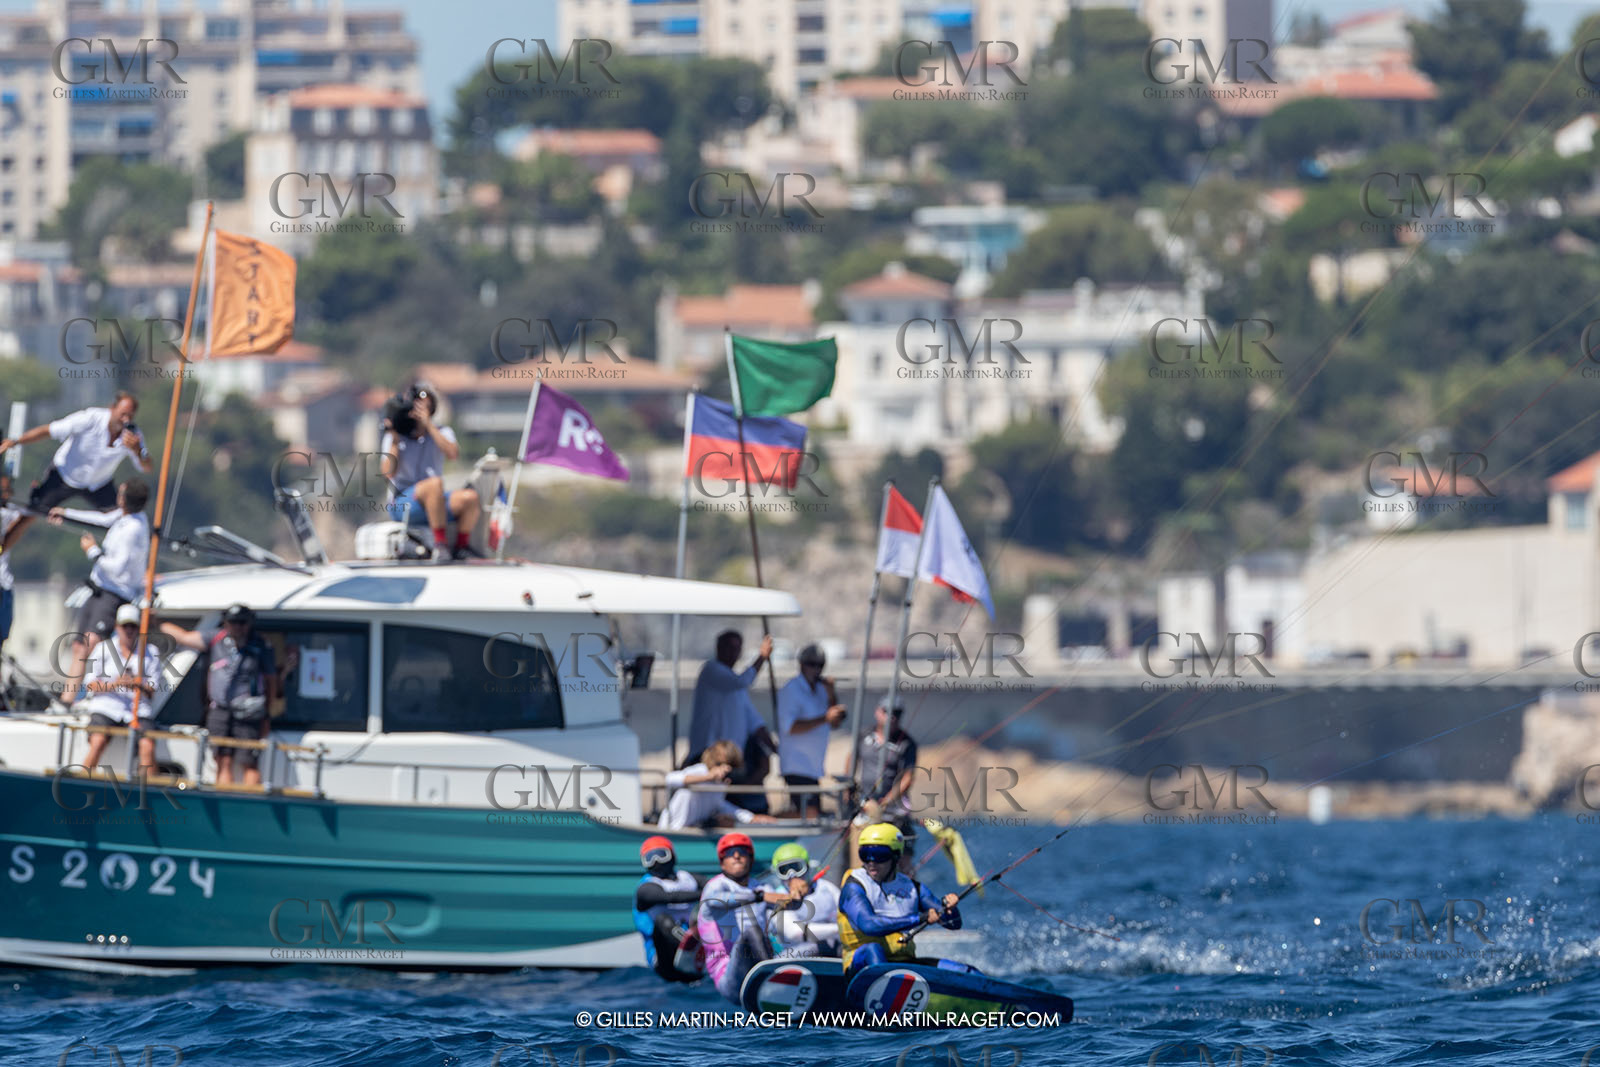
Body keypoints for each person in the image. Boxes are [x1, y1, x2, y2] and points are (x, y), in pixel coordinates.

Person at [160, 604, 295, 786]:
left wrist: (266, 715)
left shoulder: (261, 645)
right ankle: (224, 800)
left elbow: (271, 681)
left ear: (249, 624)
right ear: (225, 623)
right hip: (219, 711)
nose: (237, 627)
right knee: (222, 759)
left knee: (249, 762)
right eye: (233, 622)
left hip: (249, 712)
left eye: (242, 623)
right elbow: (183, 637)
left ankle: (251, 806)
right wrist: (153, 620)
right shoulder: (215, 638)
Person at [0, 393, 152, 552]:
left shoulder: (134, 435)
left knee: (125, 519)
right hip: (63, 476)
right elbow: (50, 430)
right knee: (30, 514)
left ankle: (132, 559)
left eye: (130, 416)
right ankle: (1, 550)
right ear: (112, 408)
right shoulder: (90, 418)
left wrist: (137, 451)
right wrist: (17, 441)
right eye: (122, 414)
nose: (126, 420)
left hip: (98, 484)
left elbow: (147, 467)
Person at [50, 478, 151, 706]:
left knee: (90, 644)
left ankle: (82, 698)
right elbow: (103, 519)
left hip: (114, 593)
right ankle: (67, 699)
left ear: (124, 499)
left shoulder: (133, 529)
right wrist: (67, 513)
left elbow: (117, 568)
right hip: (99, 590)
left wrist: (92, 550)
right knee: (79, 646)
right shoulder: (124, 517)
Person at [837, 822, 976, 976]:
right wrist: (921, 918)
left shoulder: (913, 888)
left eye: (879, 855)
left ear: (896, 856)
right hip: (861, 966)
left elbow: (953, 924)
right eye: (865, 854)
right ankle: (887, 989)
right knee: (873, 949)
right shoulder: (853, 886)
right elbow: (869, 926)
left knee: (966, 971)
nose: (871, 862)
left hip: (903, 962)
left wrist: (950, 909)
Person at [379, 381, 480, 562]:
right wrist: (395, 440)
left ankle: (461, 547)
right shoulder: (396, 433)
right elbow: (387, 472)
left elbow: (453, 454)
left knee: (469, 499)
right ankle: (440, 545)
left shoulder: (442, 431)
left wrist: (429, 426)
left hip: (435, 502)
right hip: (404, 502)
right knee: (434, 485)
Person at [688, 629, 777, 814]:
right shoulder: (712, 671)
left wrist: (777, 749)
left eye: (736, 648)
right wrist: (762, 657)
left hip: (732, 758)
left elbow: (755, 721)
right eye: (728, 647)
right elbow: (740, 681)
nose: (732, 652)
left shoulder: (737, 688)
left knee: (737, 797)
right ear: (718, 648)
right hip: (708, 754)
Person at [698, 831, 793, 1003]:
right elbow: (721, 901)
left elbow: (790, 904)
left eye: (742, 852)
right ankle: (774, 981)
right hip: (728, 975)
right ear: (722, 863)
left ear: (750, 859)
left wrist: (796, 889)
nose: (736, 856)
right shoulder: (715, 887)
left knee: (813, 946)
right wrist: (760, 897)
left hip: (759, 963)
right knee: (753, 932)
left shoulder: (761, 886)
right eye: (729, 853)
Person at [78, 603, 162, 775]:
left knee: (147, 746)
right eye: (125, 626)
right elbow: (91, 684)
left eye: (133, 626)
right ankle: (82, 780)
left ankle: (150, 791)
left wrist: (138, 685)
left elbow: (152, 691)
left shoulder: (151, 652)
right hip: (107, 706)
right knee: (98, 741)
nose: (129, 630)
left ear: (139, 628)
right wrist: (115, 684)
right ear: (117, 627)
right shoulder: (103, 649)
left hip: (137, 709)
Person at [847, 701, 920, 874]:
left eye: (897, 713)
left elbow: (908, 777)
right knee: (863, 858)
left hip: (894, 811)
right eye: (887, 711)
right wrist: (849, 789)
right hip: (865, 807)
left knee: (902, 861)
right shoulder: (863, 735)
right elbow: (852, 759)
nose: (892, 717)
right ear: (877, 712)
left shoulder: (907, 743)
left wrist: (887, 800)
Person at [777, 644, 846, 818]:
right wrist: (824, 718)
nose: (816, 669)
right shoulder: (791, 690)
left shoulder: (822, 690)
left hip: (814, 766)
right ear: (801, 664)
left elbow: (835, 723)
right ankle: (766, 820)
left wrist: (831, 695)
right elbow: (789, 727)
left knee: (812, 813)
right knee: (809, 813)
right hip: (796, 764)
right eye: (812, 664)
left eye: (820, 665)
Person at [631, 835, 709, 983]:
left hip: (694, 962)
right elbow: (672, 897)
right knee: (663, 920)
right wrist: (706, 894)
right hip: (665, 961)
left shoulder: (688, 878)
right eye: (650, 858)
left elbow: (714, 887)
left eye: (661, 855)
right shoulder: (645, 888)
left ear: (672, 856)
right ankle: (695, 950)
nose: (656, 862)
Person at [659, 739, 778, 829]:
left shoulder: (720, 785)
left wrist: (751, 818)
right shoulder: (701, 771)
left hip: (690, 831)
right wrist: (708, 776)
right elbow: (670, 779)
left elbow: (721, 806)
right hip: (672, 830)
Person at [760, 842, 841, 958]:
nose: (792, 875)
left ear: (807, 867)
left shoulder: (827, 888)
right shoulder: (777, 897)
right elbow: (794, 933)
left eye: (797, 868)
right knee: (815, 947)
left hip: (833, 951)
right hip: (794, 956)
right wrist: (839, 929)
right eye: (784, 870)